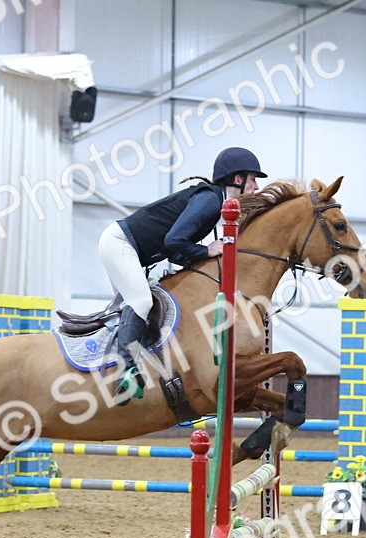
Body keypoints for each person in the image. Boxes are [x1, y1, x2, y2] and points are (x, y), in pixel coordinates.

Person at [98, 146, 266, 400]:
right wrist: (207, 250)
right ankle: (125, 372)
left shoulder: (214, 203)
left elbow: (176, 253)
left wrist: (202, 252)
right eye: (253, 179)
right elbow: (174, 241)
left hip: (127, 247)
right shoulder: (210, 200)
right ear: (238, 179)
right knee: (141, 301)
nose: (256, 187)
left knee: (143, 307)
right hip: (121, 243)